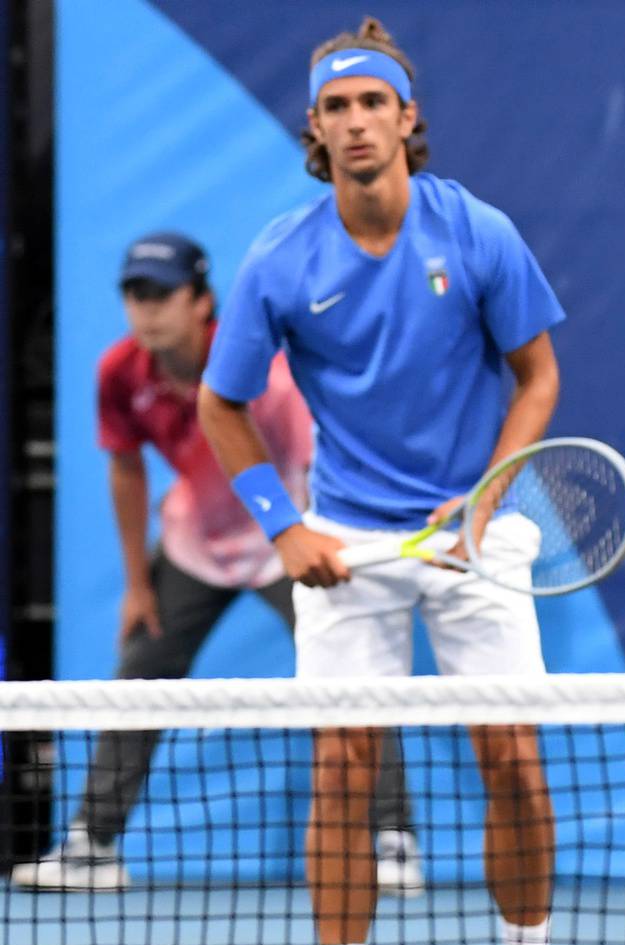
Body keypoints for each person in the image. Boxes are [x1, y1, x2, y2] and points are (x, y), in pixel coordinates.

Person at [196, 19, 600, 945]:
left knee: (513, 762)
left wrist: (488, 499)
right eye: (337, 109)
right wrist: (285, 528)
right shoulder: (282, 258)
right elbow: (221, 405)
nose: (358, 122)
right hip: (351, 538)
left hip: (478, 530)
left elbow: (539, 377)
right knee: (343, 772)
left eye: (375, 103)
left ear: (407, 120)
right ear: (316, 134)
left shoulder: (478, 234)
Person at [10, 232, 423, 898]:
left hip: (289, 537)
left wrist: (326, 538)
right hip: (193, 544)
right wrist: (137, 586)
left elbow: (319, 461)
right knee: (141, 674)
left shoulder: (261, 373)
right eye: (134, 295)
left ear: (202, 301)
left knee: (352, 672)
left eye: (161, 295)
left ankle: (393, 838)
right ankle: (93, 846)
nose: (146, 311)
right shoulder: (120, 372)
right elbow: (125, 471)